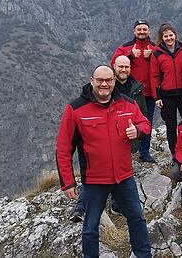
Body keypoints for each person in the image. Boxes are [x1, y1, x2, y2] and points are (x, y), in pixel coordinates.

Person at [55, 65, 152, 258]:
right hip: (94, 181)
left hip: (124, 178)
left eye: (108, 80)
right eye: (100, 80)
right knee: (90, 227)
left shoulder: (127, 103)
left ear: (114, 81)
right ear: (92, 80)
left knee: (137, 219)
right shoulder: (76, 109)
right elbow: (63, 147)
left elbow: (145, 123)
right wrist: (67, 182)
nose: (104, 84)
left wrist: (138, 131)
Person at [70, 56, 147, 220]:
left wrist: (138, 131)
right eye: (120, 67)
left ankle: (116, 206)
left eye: (127, 66)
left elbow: (143, 117)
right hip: (98, 147)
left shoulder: (136, 87)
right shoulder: (102, 88)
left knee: (119, 176)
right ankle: (81, 208)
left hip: (124, 143)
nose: (124, 69)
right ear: (114, 68)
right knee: (94, 175)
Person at [111, 19, 156, 162]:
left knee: (146, 121)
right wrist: (130, 55)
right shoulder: (125, 48)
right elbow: (114, 63)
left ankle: (144, 152)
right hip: (129, 92)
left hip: (148, 93)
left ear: (149, 31)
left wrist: (152, 57)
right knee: (121, 121)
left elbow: (162, 66)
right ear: (134, 31)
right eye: (139, 29)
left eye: (144, 29)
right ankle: (123, 152)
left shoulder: (154, 48)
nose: (142, 32)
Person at [150, 22, 182, 156]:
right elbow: (154, 76)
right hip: (167, 95)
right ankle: (175, 154)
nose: (169, 38)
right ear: (161, 38)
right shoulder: (156, 53)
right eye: (165, 36)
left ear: (175, 35)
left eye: (170, 35)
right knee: (171, 126)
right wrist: (157, 97)